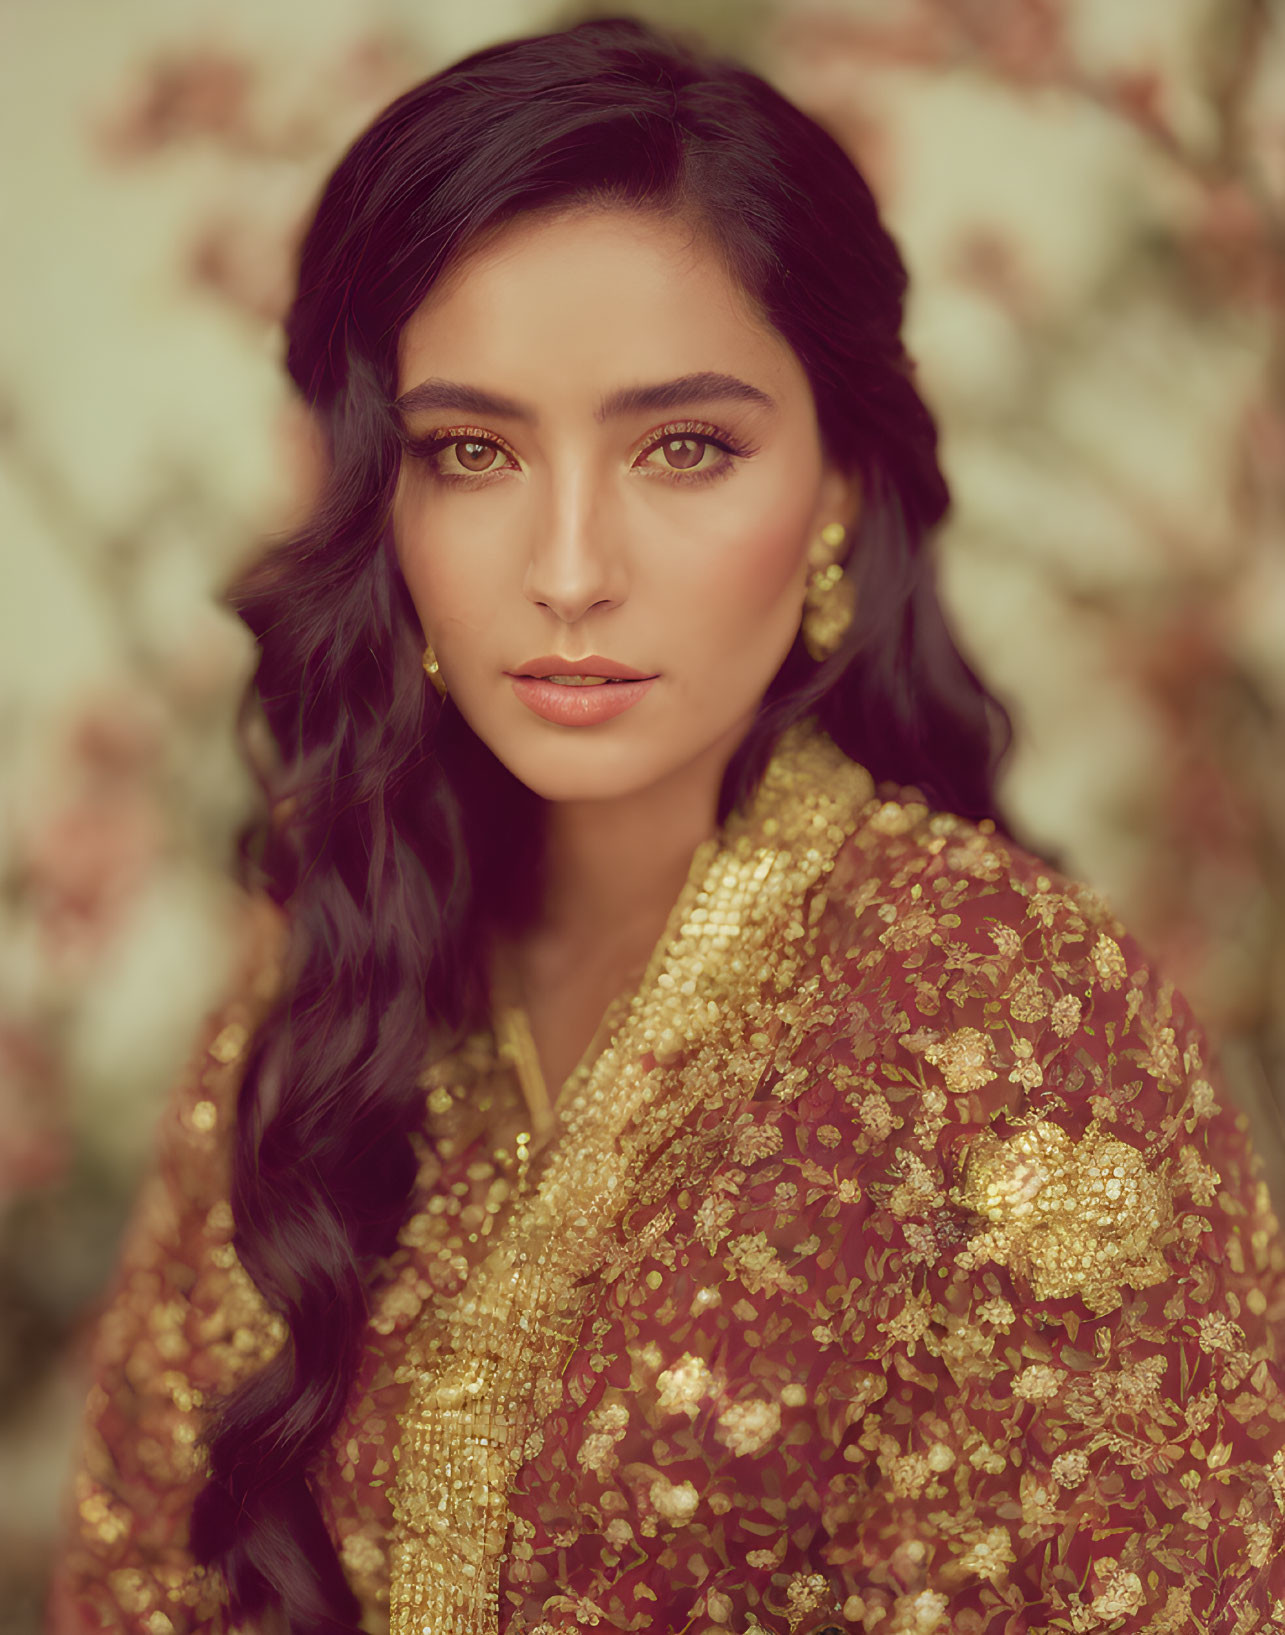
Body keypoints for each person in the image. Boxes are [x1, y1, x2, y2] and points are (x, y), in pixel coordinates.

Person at [46, 14, 1285, 1635]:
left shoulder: (1005, 1020)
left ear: (839, 484)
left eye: (682, 447)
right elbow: (134, 1582)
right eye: (471, 452)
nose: (569, 567)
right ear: (382, 502)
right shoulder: (321, 1016)